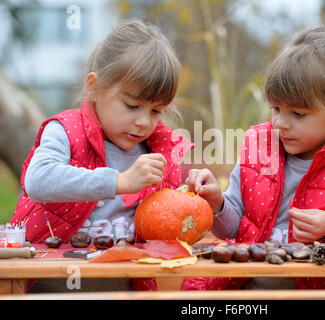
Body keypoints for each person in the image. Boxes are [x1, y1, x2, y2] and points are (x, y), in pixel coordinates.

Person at [181, 27, 325, 290]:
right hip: (250, 290)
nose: (280, 123)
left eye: (298, 114)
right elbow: (232, 229)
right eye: (276, 109)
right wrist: (216, 202)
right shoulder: (259, 147)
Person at [10, 19, 193, 292]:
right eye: (132, 105)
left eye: (156, 111)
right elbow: (37, 180)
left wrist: (198, 196)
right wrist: (119, 181)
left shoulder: (158, 153)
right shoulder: (66, 131)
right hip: (50, 283)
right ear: (93, 86)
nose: (144, 122)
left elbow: (168, 222)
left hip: (123, 287)